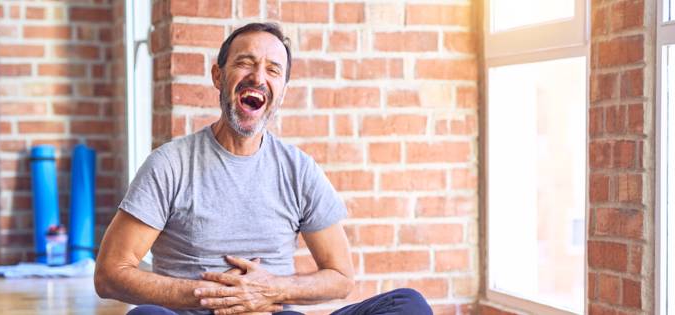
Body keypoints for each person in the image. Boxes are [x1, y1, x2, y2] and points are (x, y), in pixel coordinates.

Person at [94, 22, 433, 315]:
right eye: (245, 63)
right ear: (218, 75)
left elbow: (341, 277)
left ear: (282, 90)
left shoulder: (299, 170)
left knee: (408, 305)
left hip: (275, 312)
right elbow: (110, 273)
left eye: (273, 70)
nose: (258, 76)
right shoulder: (170, 165)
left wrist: (272, 289)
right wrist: (217, 296)